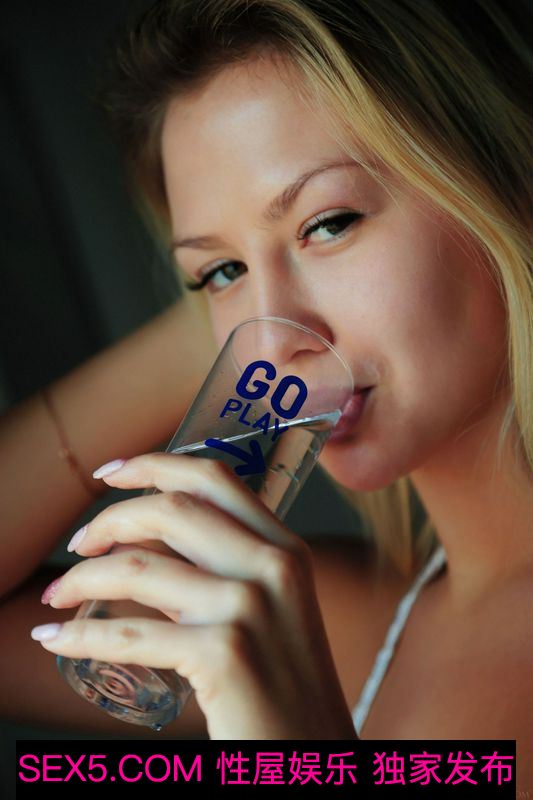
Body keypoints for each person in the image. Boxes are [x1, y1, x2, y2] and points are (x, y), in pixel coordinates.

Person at [1, 0, 531, 780]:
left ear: (502, 179)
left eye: (330, 223)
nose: (272, 341)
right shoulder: (332, 632)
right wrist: (222, 331)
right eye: (219, 272)